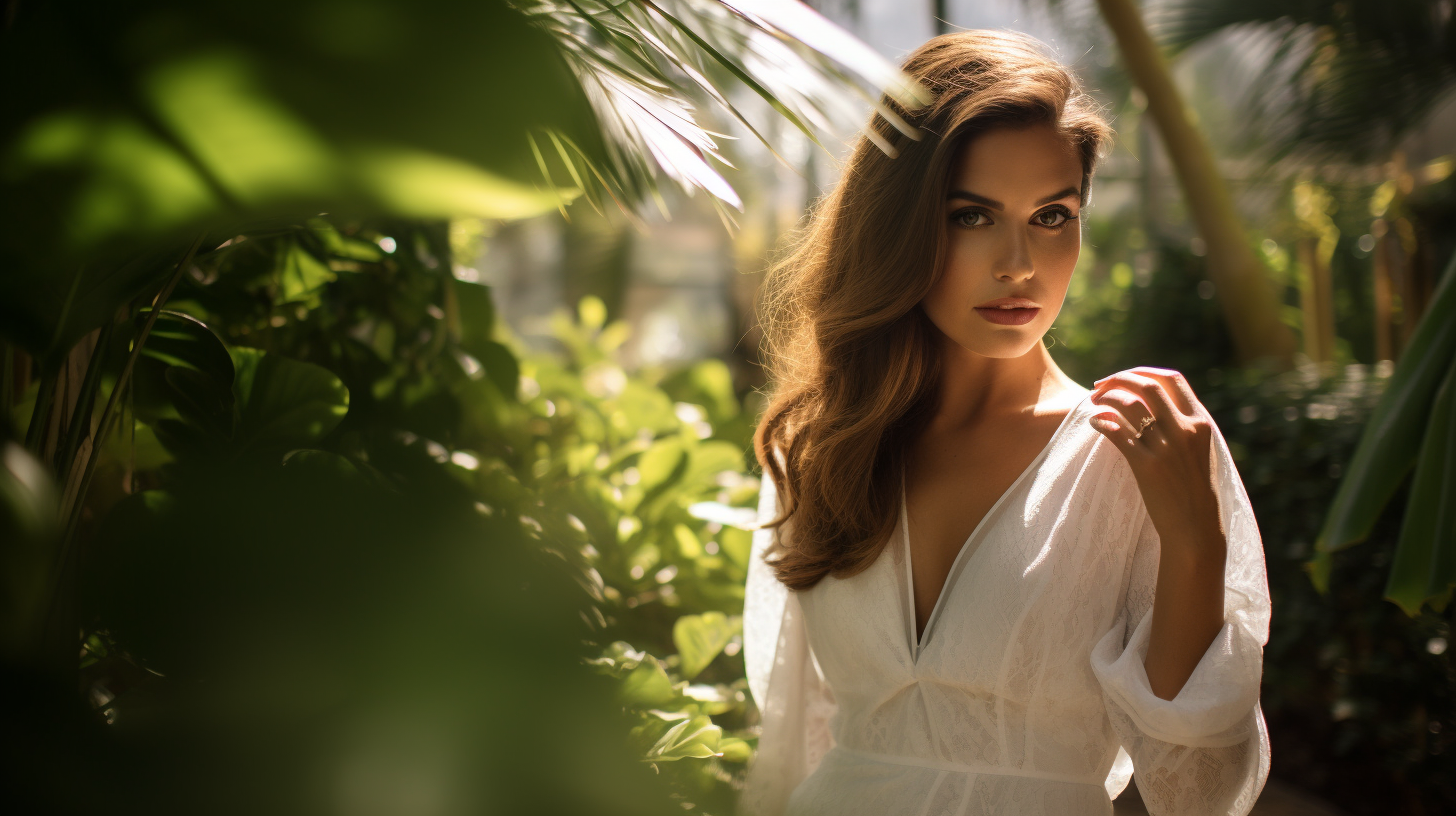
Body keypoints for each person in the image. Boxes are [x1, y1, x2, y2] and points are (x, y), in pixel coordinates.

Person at [739, 30, 1271, 816]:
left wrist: (1197, 545)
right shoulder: (825, 442)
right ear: (898, 225)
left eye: (1052, 215)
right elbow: (790, 744)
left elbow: (1197, 792)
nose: (1019, 263)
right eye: (972, 217)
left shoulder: (1135, 451)